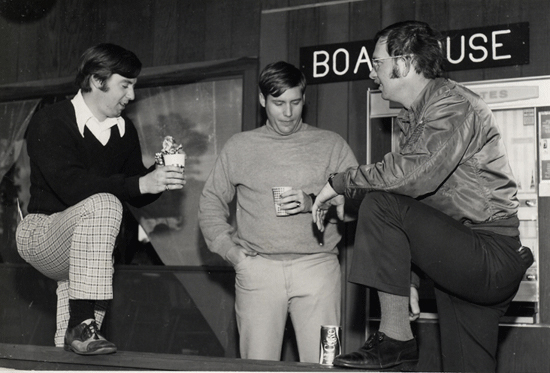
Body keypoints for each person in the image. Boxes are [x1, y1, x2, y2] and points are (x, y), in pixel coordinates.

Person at [312, 21, 534, 372]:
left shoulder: (452, 105)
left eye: (377, 63)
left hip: (488, 252)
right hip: (463, 257)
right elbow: (421, 202)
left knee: (380, 201)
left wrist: (338, 183)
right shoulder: (416, 117)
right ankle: (398, 335)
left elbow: (407, 179)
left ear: (405, 62)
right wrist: (405, 281)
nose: (372, 74)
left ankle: (396, 339)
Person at [16, 43, 186, 355]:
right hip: (41, 234)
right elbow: (73, 187)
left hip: (89, 244)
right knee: (105, 203)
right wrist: (140, 183)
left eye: (133, 87)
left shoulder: (124, 130)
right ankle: (82, 325)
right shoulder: (51, 120)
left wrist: (159, 175)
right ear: (97, 80)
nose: (131, 96)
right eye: (125, 85)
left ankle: (77, 335)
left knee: (79, 351)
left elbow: (137, 191)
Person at [199, 61, 358, 363]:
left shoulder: (330, 144)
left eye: (295, 102)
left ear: (304, 99)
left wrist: (314, 202)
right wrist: (232, 253)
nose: (288, 113)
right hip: (258, 272)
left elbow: (358, 205)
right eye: (278, 103)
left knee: (325, 366)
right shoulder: (239, 146)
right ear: (262, 100)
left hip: (318, 270)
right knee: (257, 367)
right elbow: (210, 202)